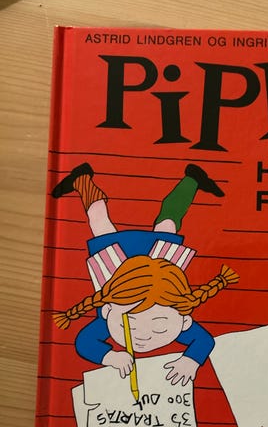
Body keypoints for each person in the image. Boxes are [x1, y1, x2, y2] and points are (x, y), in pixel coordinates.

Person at [51, 162, 238, 385]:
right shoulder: (167, 314)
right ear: (107, 311)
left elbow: (204, 341)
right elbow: (84, 343)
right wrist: (110, 357)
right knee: (113, 222)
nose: (143, 335)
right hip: (149, 262)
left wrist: (190, 361)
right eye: (128, 324)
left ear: (185, 321)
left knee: (163, 222)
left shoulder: (170, 314)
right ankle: (82, 179)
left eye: (159, 326)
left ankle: (192, 180)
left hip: (119, 263)